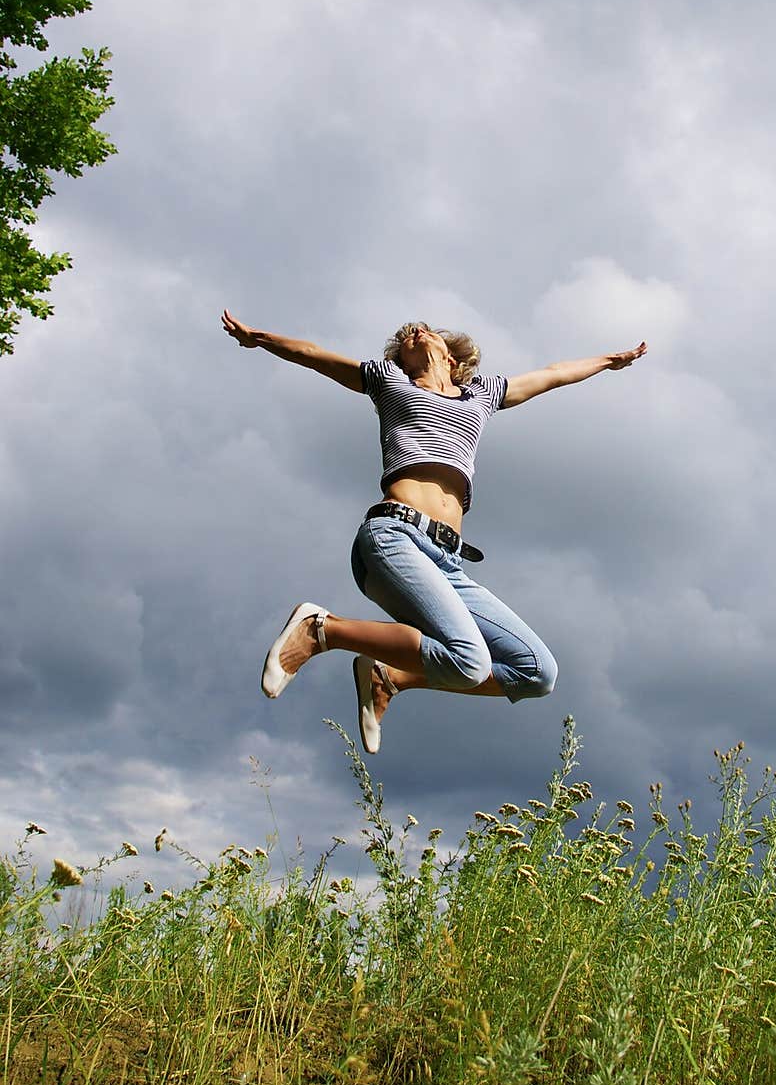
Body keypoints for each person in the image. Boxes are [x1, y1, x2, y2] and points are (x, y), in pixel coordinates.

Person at [221, 309, 647, 754]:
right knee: (469, 661)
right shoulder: (390, 381)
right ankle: (322, 629)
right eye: (405, 335)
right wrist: (259, 337)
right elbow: (313, 355)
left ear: (451, 353)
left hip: (450, 561)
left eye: (423, 328)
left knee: (537, 672)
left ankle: (390, 677)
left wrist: (607, 361)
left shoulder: (481, 394)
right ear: (402, 358)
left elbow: (553, 374)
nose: (413, 331)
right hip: (394, 535)